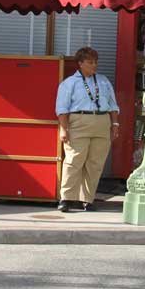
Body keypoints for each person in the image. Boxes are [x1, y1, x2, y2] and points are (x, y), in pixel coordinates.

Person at [55, 47, 121, 212]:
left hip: (102, 121)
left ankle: (87, 199)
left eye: (95, 62)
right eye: (90, 62)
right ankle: (66, 198)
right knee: (74, 160)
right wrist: (64, 129)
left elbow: (113, 104)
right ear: (80, 64)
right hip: (79, 121)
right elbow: (62, 108)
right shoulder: (69, 83)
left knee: (95, 163)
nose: (94, 65)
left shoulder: (104, 81)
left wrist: (115, 124)